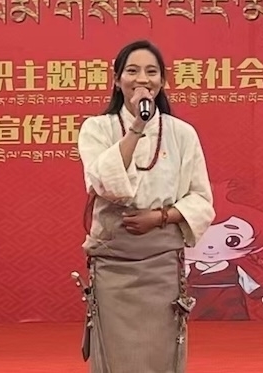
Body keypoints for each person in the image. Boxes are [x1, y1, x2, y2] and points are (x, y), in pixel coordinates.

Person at [73, 39, 216, 373]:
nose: (142, 79)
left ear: (163, 81)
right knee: (115, 353)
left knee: (161, 351)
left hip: (161, 263)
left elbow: (201, 200)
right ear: (116, 79)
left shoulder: (182, 133)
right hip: (113, 262)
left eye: (152, 72)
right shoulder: (97, 128)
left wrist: (160, 217)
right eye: (132, 71)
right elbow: (105, 184)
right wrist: (137, 125)